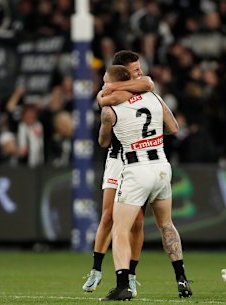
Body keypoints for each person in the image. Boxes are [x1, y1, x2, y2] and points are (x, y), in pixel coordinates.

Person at [98, 65, 191, 301]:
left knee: (120, 230)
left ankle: (123, 285)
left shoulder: (111, 108)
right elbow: (173, 128)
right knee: (167, 225)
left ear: (114, 82)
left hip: (136, 169)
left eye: (105, 81)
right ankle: (181, 279)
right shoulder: (154, 96)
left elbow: (103, 142)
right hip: (161, 165)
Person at [82, 51, 154, 297]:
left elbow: (147, 83)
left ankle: (131, 276)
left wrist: (114, 89)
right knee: (108, 215)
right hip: (117, 158)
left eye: (139, 68)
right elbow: (102, 99)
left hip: (139, 158)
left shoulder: (135, 85)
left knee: (138, 222)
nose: (140, 72)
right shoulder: (115, 89)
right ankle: (96, 269)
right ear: (122, 71)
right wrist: (111, 91)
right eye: (134, 69)